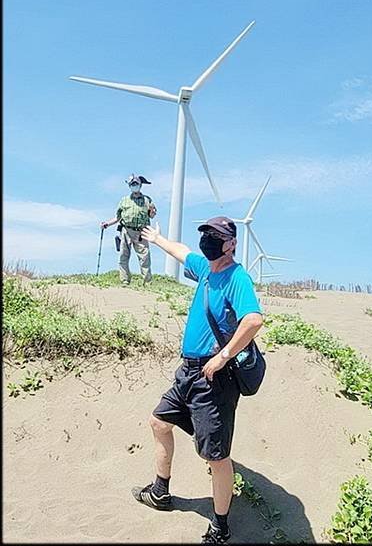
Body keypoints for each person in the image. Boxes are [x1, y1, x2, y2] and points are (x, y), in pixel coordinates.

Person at [132, 216, 263, 544]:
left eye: (216, 235)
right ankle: (161, 492)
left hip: (213, 377)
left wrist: (223, 357)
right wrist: (159, 240)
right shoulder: (205, 269)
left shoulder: (237, 277)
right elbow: (182, 252)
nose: (208, 239)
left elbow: (253, 320)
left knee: (216, 457)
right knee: (159, 422)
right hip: (188, 372)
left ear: (231, 243)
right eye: (206, 233)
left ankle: (220, 526)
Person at [100, 174, 157, 285]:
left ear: (140, 185)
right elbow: (117, 217)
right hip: (126, 230)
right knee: (123, 256)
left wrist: (152, 211)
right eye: (132, 184)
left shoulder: (147, 200)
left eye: (136, 184)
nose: (134, 186)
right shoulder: (124, 200)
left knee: (145, 257)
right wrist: (107, 223)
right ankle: (124, 280)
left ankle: (147, 282)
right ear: (129, 186)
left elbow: (151, 215)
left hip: (141, 231)